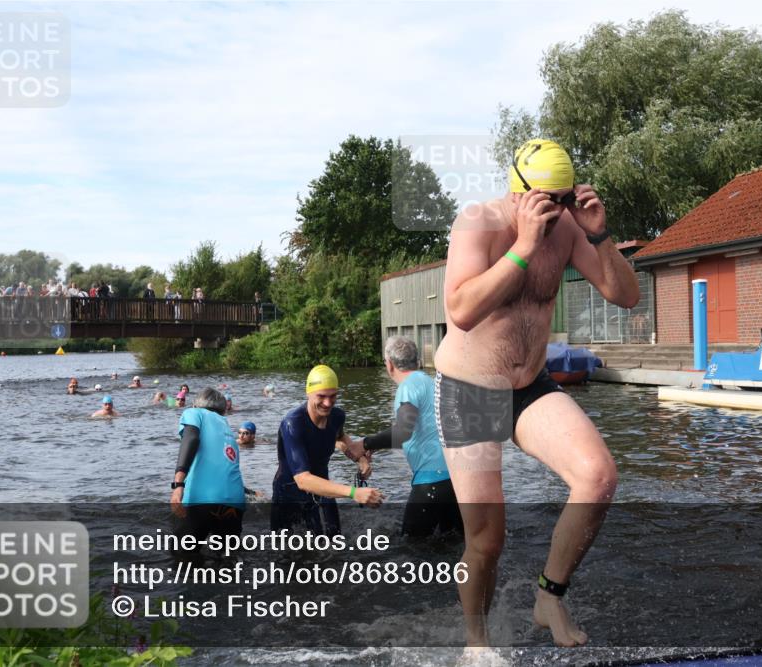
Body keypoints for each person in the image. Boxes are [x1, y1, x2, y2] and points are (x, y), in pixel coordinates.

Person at [433, 139, 639, 648]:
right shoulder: (477, 223)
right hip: (470, 391)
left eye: (565, 199)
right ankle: (476, 644)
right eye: (547, 200)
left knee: (598, 477)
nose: (557, 212)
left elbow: (626, 295)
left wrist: (600, 235)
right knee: (487, 541)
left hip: (529, 386)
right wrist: (523, 247)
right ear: (519, 192)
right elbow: (461, 310)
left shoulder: (568, 228)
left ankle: (549, 596)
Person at [347, 336, 462, 538]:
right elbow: (425, 431)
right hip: (456, 481)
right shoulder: (432, 382)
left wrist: (365, 443)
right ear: (417, 361)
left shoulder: (407, 387)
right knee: (451, 545)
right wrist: (377, 444)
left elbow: (403, 432)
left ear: (389, 364)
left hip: (430, 483)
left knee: (411, 549)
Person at [270, 365, 383, 536]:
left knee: (334, 540)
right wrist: (353, 493)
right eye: (321, 396)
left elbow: (339, 438)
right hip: (289, 495)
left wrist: (360, 460)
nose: (328, 403)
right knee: (287, 553)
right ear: (308, 393)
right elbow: (303, 480)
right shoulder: (293, 423)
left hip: (324, 490)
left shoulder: (337, 416)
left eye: (333, 396)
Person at [170, 387, 246, 549]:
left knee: (182, 555)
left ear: (197, 404)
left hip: (202, 499)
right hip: (234, 502)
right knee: (227, 560)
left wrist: (178, 484)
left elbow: (190, 439)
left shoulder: (194, 413)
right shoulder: (227, 429)